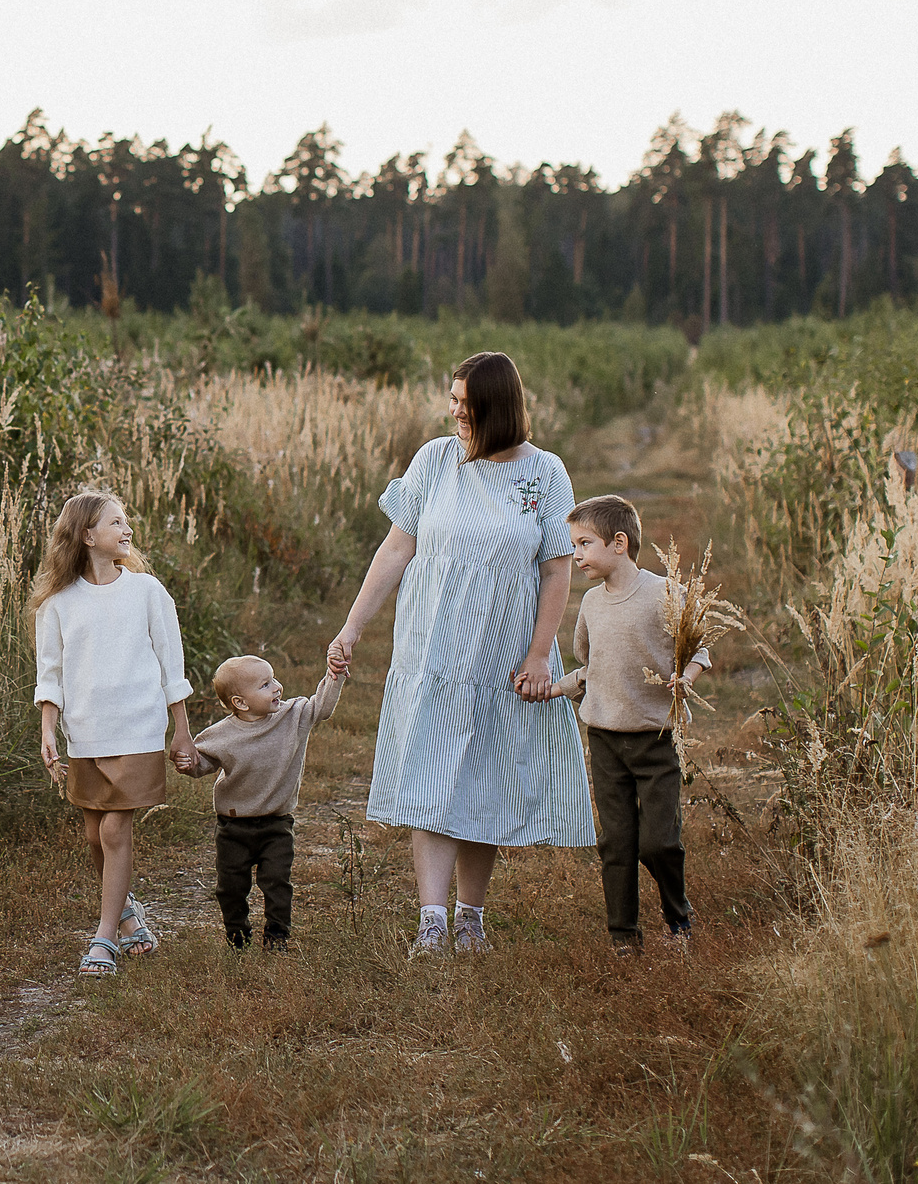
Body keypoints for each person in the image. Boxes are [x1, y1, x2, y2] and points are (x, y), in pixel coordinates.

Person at [328, 350, 593, 958]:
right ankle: (430, 922)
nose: (453, 413)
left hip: (504, 653)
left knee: (488, 779)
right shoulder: (435, 460)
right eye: (451, 400)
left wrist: (539, 655)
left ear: (497, 410)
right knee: (431, 772)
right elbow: (396, 549)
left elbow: (556, 569)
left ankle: (470, 917)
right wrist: (352, 628)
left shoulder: (546, 474)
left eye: (463, 404)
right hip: (435, 648)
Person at [33, 488, 195, 978]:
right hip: (86, 734)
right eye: (116, 523)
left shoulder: (148, 592)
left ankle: (103, 937)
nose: (127, 530)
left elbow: (172, 666)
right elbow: (51, 674)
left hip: (139, 727)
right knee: (93, 835)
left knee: (113, 827)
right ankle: (126, 915)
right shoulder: (58, 604)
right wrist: (48, 729)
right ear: (87, 535)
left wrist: (182, 732)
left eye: (127, 522)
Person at [551, 494, 707, 956]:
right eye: (573, 544)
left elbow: (698, 650)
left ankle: (679, 918)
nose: (575, 555)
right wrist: (553, 686)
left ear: (619, 543)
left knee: (659, 843)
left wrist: (686, 677)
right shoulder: (592, 605)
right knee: (616, 844)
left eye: (584, 544)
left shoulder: (666, 594)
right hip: (605, 741)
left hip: (656, 740)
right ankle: (624, 938)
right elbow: (591, 665)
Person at [176, 650, 343, 949]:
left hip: (276, 824)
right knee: (230, 887)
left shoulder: (292, 716)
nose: (277, 687)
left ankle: (277, 936)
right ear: (240, 702)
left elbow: (323, 707)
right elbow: (201, 764)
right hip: (233, 828)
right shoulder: (220, 735)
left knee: (277, 882)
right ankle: (237, 935)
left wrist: (334, 675)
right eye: (265, 684)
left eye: (274, 679)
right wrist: (188, 764)